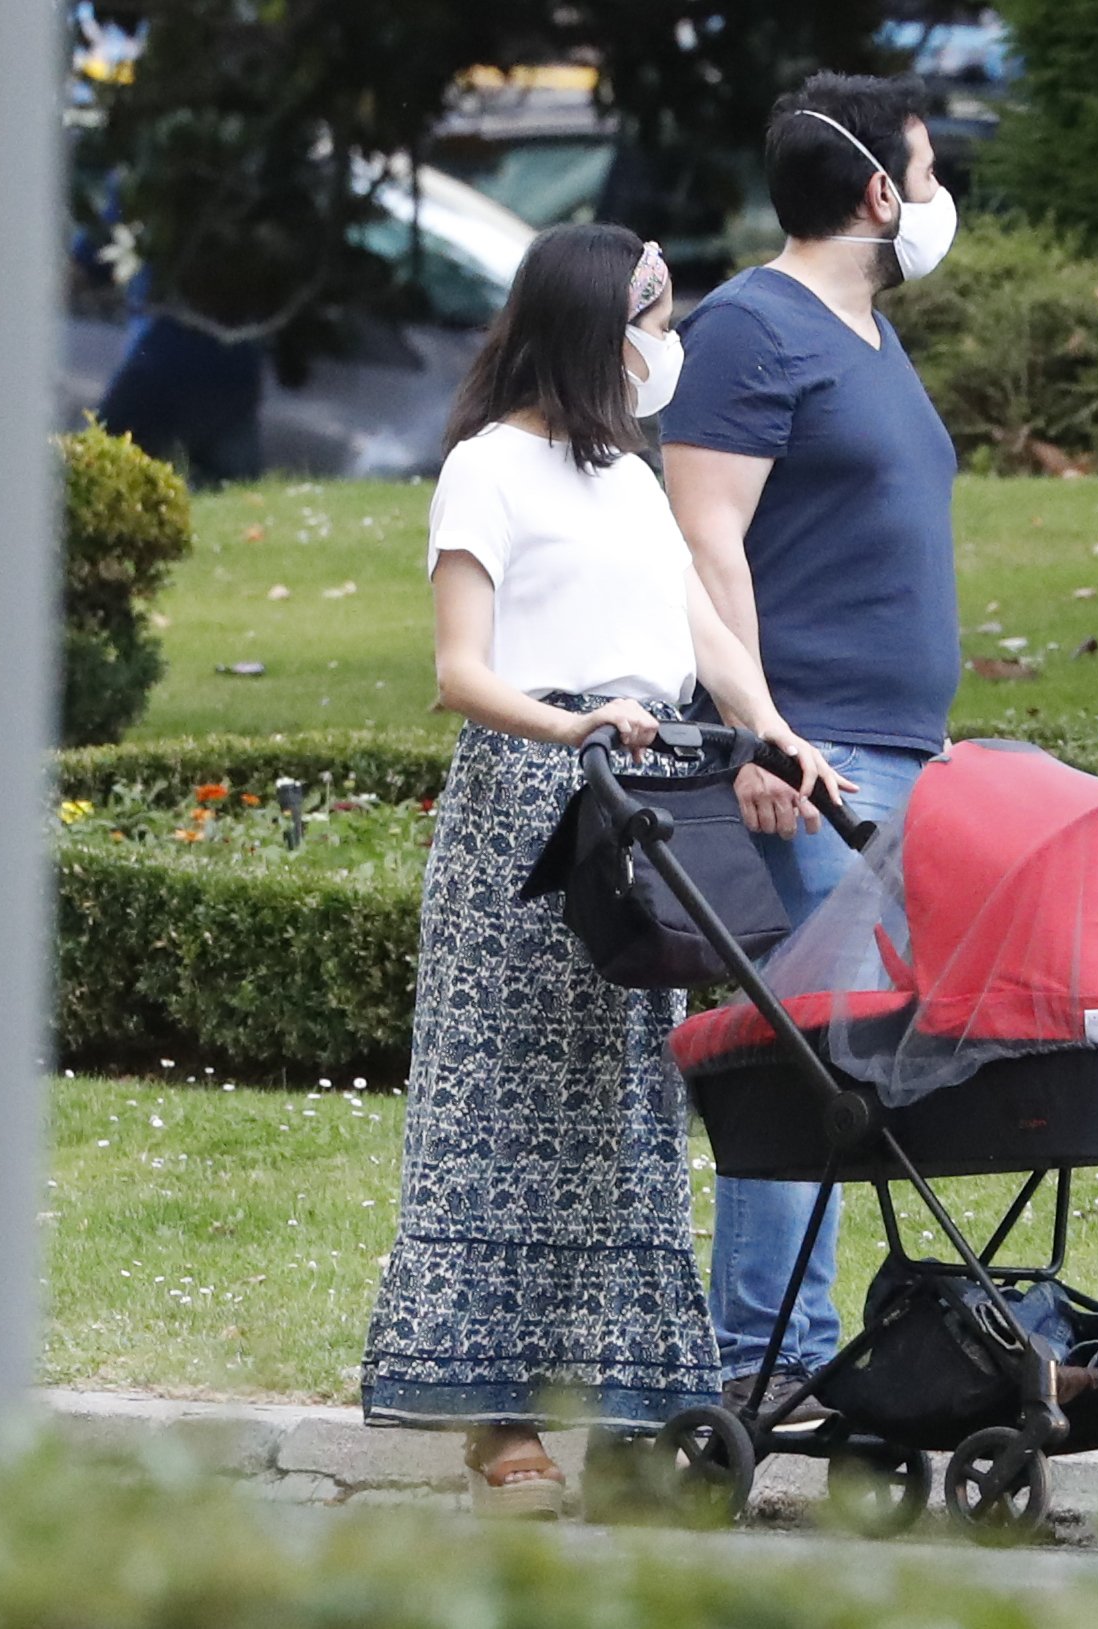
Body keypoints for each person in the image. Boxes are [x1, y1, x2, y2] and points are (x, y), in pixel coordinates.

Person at [360, 223, 845, 1516]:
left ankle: (626, 1394)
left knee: (627, 1104)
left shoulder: (628, 480)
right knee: (507, 1103)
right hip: (534, 804)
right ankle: (500, 1420)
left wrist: (779, 735)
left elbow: (704, 636)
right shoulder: (487, 471)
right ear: (592, 328)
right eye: (653, 316)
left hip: (647, 803)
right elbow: (460, 669)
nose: (668, 343)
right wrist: (571, 722)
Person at [659, 71, 961, 1428]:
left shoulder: (871, 337)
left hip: (897, 751)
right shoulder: (748, 331)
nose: (940, 195)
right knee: (803, 1057)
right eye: (929, 168)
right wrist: (755, 738)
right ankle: (760, 1357)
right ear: (879, 192)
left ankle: (812, 1350)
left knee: (848, 1062)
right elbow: (700, 541)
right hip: (808, 754)